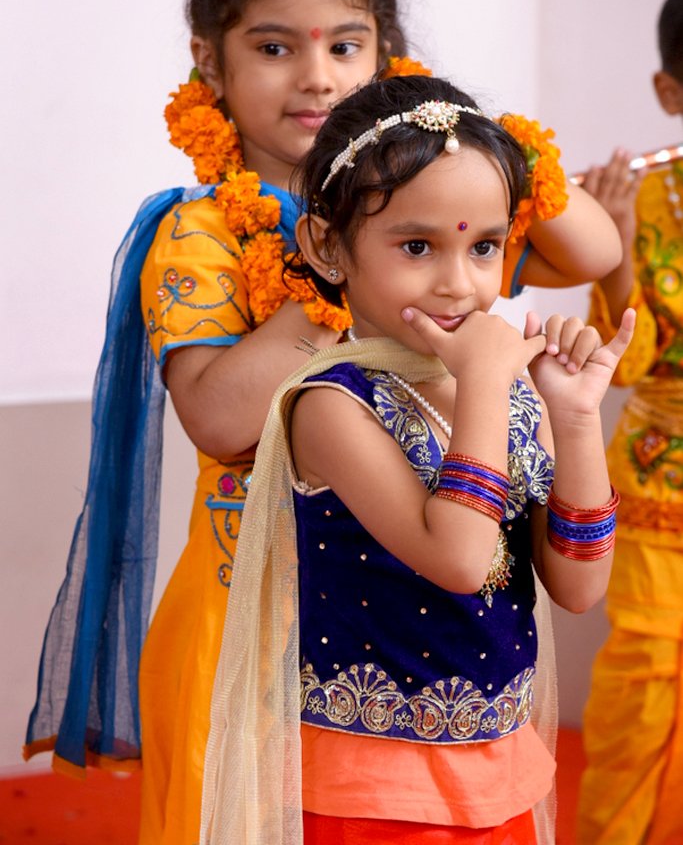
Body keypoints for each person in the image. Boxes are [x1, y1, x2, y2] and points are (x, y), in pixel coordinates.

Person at [23, 0, 621, 845]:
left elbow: (590, 250)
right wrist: (332, 288)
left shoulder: (432, 231)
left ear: (384, 53)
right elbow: (219, 421)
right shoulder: (206, 231)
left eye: (346, 46)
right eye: (274, 46)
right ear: (209, 65)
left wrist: (458, 136)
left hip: (446, 648)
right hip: (246, 615)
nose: (315, 76)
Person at [200, 74, 635, 845]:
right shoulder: (330, 404)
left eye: (485, 247)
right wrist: (489, 388)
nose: (458, 283)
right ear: (328, 246)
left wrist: (571, 419)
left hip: (497, 766)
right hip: (373, 794)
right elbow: (460, 559)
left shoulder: (497, 389)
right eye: (415, 246)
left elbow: (576, 587)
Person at [577, 0, 683, 845]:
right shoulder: (647, 199)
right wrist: (609, 251)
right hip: (657, 484)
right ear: (669, 95)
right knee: (640, 685)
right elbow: (625, 365)